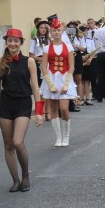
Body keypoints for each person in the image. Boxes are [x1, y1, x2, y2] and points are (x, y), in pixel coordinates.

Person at [0, 28, 44, 192]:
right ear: (6, 42)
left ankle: (26, 176)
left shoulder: (29, 61)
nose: (13, 43)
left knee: (17, 142)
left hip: (23, 104)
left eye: (16, 41)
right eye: (10, 40)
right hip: (5, 105)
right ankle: (15, 180)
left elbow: (35, 86)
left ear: (21, 43)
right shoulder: (0, 62)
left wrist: (39, 111)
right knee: (8, 145)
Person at [41, 18, 78, 147]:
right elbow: (44, 67)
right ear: (50, 32)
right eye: (54, 30)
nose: (56, 32)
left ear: (62, 31)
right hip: (52, 79)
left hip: (64, 79)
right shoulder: (46, 48)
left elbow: (71, 66)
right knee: (53, 108)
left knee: (64, 108)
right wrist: (50, 84)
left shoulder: (68, 47)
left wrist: (67, 84)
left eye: (58, 30)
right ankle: (58, 136)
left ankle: (66, 135)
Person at [29, 19, 50, 120]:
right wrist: (41, 59)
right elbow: (31, 55)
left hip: (48, 65)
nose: (43, 29)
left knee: (48, 88)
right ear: (38, 29)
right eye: (41, 28)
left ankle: (48, 111)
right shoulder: (34, 39)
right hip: (39, 64)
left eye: (45, 28)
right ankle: (41, 112)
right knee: (40, 89)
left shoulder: (49, 40)